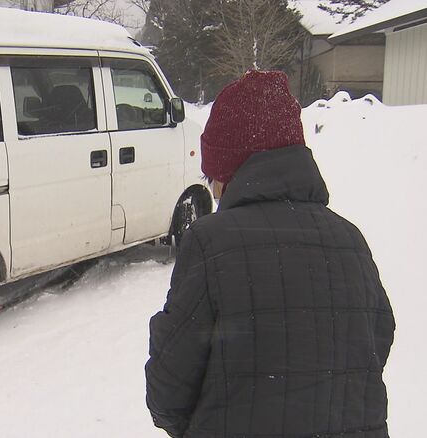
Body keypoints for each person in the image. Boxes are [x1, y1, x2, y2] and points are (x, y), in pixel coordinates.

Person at [145, 70, 395, 437]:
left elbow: (168, 390)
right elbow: (376, 343)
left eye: (211, 176)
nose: (213, 191)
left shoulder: (210, 243)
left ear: (230, 170)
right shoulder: (350, 239)